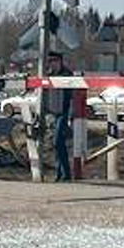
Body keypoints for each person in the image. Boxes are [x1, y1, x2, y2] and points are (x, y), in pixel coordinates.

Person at [47, 52, 72, 182]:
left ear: (60, 61)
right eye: (50, 61)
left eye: (54, 61)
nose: (51, 64)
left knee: (57, 141)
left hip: (64, 112)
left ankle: (65, 173)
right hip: (54, 112)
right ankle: (61, 173)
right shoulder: (49, 75)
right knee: (58, 143)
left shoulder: (67, 74)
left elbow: (71, 96)